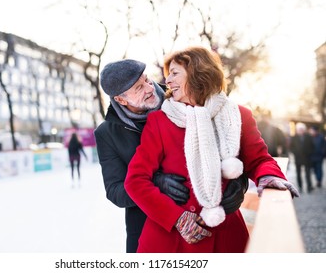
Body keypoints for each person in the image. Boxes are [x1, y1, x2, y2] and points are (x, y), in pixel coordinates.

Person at [124, 46, 299, 253]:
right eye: (167, 75)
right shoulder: (159, 121)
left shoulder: (238, 115)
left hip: (224, 236)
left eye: (174, 73)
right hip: (171, 241)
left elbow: (260, 160)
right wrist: (177, 218)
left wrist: (269, 177)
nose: (167, 81)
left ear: (198, 72)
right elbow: (135, 181)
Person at [94, 59, 249, 253]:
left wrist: (239, 183)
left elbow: (228, 145)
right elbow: (114, 190)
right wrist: (155, 183)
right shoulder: (108, 133)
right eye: (138, 88)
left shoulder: (179, 97)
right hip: (151, 229)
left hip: (208, 219)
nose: (149, 88)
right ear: (121, 99)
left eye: (147, 80)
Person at [290, 122, 315, 193]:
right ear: (297, 130)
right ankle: (300, 186)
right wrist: (295, 153)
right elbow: (291, 147)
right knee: (298, 174)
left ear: (304, 130)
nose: (300, 131)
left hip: (307, 158)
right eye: (299, 129)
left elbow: (312, 146)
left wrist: (309, 153)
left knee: (308, 174)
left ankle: (309, 187)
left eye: (302, 129)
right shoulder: (294, 137)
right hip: (298, 158)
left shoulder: (308, 136)